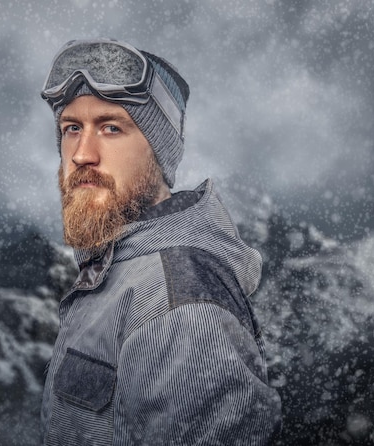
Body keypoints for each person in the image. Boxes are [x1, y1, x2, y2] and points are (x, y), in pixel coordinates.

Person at [39, 38, 282, 445]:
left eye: (111, 127)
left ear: (158, 151)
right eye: (71, 128)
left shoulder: (180, 302)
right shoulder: (117, 273)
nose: (82, 153)